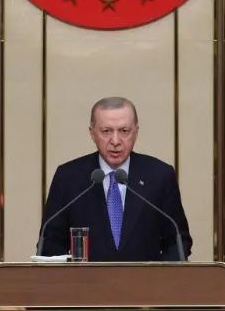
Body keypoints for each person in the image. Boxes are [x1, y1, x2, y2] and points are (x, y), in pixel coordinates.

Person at [38, 96, 193, 261]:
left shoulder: (160, 175)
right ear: (92, 133)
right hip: (85, 278)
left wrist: (158, 274)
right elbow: (51, 243)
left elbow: (178, 240)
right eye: (106, 131)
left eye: (124, 131)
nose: (115, 141)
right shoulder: (68, 177)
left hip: (146, 277)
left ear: (136, 132)